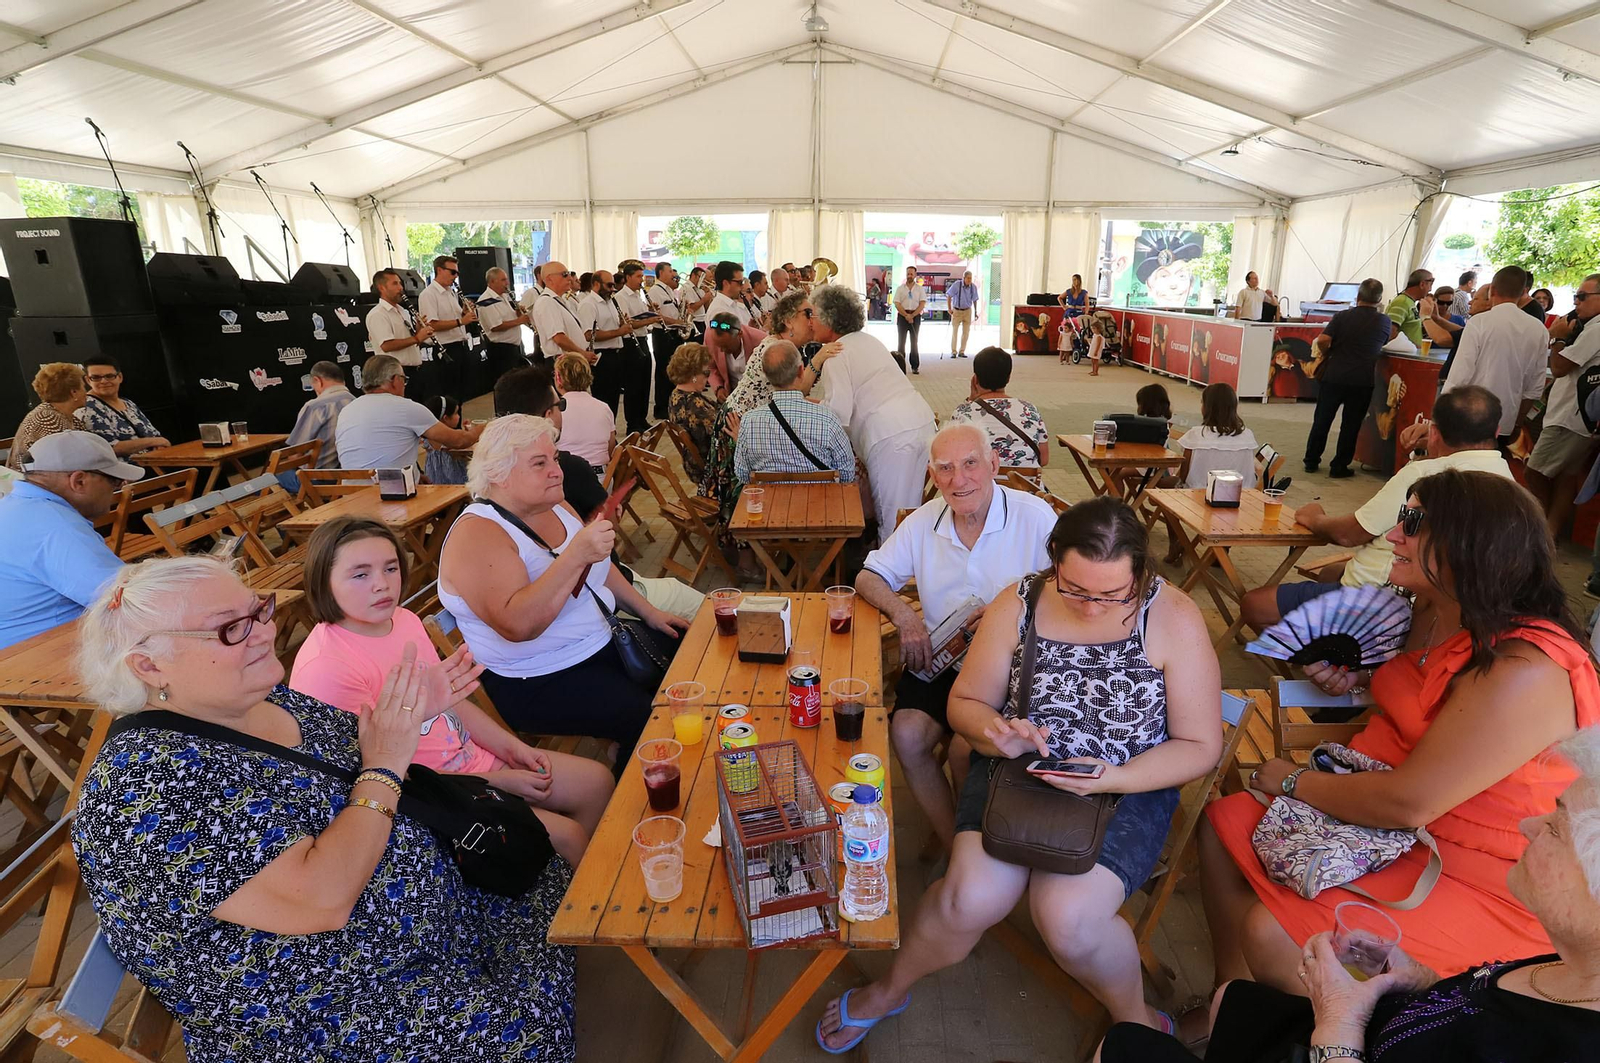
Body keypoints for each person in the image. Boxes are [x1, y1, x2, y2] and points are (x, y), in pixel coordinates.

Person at [72, 556, 577, 1061]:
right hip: (341, 1010)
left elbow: (364, 768)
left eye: (259, 611)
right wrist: (385, 763)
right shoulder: (144, 789)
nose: (264, 634)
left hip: (444, 927)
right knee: (540, 1019)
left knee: (559, 887)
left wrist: (409, 718)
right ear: (149, 665)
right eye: (229, 629)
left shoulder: (267, 700)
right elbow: (322, 898)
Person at [819, 497, 1222, 1050]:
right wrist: (995, 731)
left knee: (1069, 919)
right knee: (968, 898)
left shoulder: (1173, 618)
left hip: (1129, 783)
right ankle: (892, 989)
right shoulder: (1021, 601)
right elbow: (964, 703)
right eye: (1076, 589)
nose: (1090, 606)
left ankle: (1136, 1021)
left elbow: (1201, 745)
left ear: (1141, 575)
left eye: (1111, 595)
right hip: (1020, 770)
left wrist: (1112, 778)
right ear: (1053, 559)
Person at [1202, 469, 1600, 989]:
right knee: (1221, 823)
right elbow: (1428, 691)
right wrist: (1360, 677)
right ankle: (1231, 1001)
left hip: (1477, 864)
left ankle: (1318, 1028)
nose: (1393, 534)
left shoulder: (1525, 669)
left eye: (1411, 522)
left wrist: (1292, 781)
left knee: (1275, 934)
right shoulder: (1436, 608)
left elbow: (1410, 802)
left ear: (1467, 544)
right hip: (1389, 823)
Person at [1101, 726, 1600, 1063]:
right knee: (1236, 998)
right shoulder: (1568, 967)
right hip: (1377, 1030)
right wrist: (1418, 980)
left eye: (1558, 828)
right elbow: (1479, 1001)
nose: (1530, 823)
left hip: (1341, 1046)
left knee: (1122, 1046)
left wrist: (1339, 1026)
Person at [289, 516, 613, 865]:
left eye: (390, 568)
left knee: (597, 782)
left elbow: (453, 703)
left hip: (473, 763)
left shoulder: (404, 620)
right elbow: (374, 776)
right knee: (570, 837)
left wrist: (514, 749)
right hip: (430, 799)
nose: (382, 585)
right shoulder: (327, 667)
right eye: (360, 574)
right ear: (324, 581)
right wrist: (498, 782)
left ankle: (557, 879)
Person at [437, 415, 689, 770]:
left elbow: (600, 571)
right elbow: (518, 626)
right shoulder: (478, 534)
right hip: (537, 676)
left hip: (602, 643)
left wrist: (649, 612)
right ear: (498, 475)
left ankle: (634, 757)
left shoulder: (554, 505)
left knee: (688, 655)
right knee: (647, 719)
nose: (557, 471)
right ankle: (628, 806)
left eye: (554, 458)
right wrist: (575, 555)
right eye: (540, 463)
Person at [854, 423, 1057, 847]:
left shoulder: (1034, 517)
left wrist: (1012, 613)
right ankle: (954, 845)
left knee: (969, 750)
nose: (958, 479)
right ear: (932, 473)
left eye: (970, 464)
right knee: (906, 734)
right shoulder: (924, 521)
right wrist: (905, 617)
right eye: (944, 468)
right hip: (944, 661)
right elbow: (869, 576)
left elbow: (1074, 591)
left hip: (1019, 667)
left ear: (994, 464)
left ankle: (984, 848)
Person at [1240, 387, 1511, 630]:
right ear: (1497, 431)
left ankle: (1331, 660)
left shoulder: (1427, 476)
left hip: (1387, 595)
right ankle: (1330, 651)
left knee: (1253, 604)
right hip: (1451, 593)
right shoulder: (1506, 480)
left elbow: (1351, 535)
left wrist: (1316, 519)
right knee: (1330, 573)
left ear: (1435, 432)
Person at [700, 293, 837, 531]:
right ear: (788, 321)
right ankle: (746, 556)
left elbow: (793, 396)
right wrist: (821, 357)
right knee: (742, 494)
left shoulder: (781, 345)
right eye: (807, 314)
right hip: (739, 424)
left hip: (748, 421)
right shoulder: (775, 348)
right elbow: (799, 388)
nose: (813, 319)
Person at [813, 285, 938, 541]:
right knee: (911, 512)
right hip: (919, 423)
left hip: (891, 436)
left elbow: (838, 413)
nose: (810, 322)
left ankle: (888, 577)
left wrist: (809, 409)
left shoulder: (835, 353)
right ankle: (911, 571)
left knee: (892, 519)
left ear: (829, 320)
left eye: (813, 315)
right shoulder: (867, 340)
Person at [0, 431, 137, 649]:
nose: (117, 490)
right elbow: (128, 599)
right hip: (36, 657)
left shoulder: (14, 506)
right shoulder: (54, 524)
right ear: (79, 481)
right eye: (115, 482)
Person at [1442, 265, 1551, 448]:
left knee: (1460, 471)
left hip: (1469, 415)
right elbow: (1535, 385)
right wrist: (1518, 422)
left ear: (1492, 289)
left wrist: (1441, 416)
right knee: (1490, 471)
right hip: (1506, 418)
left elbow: (1459, 375)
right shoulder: (1539, 329)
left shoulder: (1479, 322)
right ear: (1523, 292)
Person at [1526, 271, 1600, 534]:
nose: (1576, 302)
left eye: (1582, 296)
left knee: (1534, 472)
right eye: (1575, 296)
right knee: (1566, 478)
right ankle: (1550, 533)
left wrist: (1557, 336)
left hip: (1571, 416)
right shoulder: (1589, 327)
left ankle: (1540, 530)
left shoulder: (1597, 329)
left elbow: (1558, 367)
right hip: (1578, 417)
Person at [336, 355, 483, 474]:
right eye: (404, 380)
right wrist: (489, 426)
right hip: (394, 496)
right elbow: (459, 441)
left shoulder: (347, 410)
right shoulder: (406, 408)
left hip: (352, 494)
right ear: (394, 380)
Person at [734, 341, 856, 483]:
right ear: (800, 371)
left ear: (766, 375)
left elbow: (742, 474)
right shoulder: (826, 418)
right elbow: (847, 473)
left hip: (771, 503)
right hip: (819, 502)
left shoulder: (749, 422)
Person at [1304, 277, 1390, 477]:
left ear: (1358, 296)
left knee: (1322, 420)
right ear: (1379, 300)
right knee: (1351, 425)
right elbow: (1385, 341)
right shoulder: (1384, 321)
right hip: (1362, 379)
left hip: (1335, 375)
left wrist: (1328, 351)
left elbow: (1323, 340)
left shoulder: (1342, 317)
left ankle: (1311, 461)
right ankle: (1339, 466)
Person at [950, 346, 1049, 468]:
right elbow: (1044, 459)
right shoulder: (1029, 409)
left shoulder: (962, 412)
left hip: (978, 486)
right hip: (1024, 485)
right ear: (1008, 378)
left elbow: (953, 456)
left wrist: (971, 400)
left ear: (975, 379)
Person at [279, 360, 353, 489]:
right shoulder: (356, 402)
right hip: (350, 477)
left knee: (262, 484)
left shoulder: (315, 406)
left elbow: (295, 455)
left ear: (318, 381)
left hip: (319, 480)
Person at [364, 268, 437, 400]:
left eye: (400, 283)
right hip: (394, 376)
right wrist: (416, 338)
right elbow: (386, 345)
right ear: (382, 288)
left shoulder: (403, 311)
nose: (400, 288)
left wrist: (418, 329)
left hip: (413, 372)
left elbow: (410, 340)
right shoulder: (378, 314)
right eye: (395, 284)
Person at [77, 356, 169, 456]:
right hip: (127, 469)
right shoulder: (87, 408)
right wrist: (155, 442)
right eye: (96, 377)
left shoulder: (128, 403)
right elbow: (108, 448)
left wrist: (159, 446)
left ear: (120, 377)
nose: (103, 381)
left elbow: (153, 434)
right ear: (88, 380)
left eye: (109, 376)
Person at [417, 254, 478, 401]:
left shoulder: (451, 292)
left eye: (457, 273)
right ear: (439, 270)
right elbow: (431, 324)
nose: (455, 276)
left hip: (459, 346)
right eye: (452, 272)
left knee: (460, 393)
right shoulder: (428, 294)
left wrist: (464, 311)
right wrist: (461, 321)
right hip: (445, 349)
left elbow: (456, 318)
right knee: (449, 394)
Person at [7, 362, 89, 470]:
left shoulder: (64, 415)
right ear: (74, 392)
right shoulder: (48, 419)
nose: (86, 392)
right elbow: (65, 465)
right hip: (35, 482)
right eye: (83, 387)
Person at [1177, 382, 1258, 490]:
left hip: (1197, 498)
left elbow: (1183, 476)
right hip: (1239, 497)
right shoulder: (1247, 436)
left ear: (1206, 408)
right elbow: (1249, 474)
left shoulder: (1195, 435)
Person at [611, 261, 662, 435]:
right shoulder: (621, 297)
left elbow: (639, 318)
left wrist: (650, 311)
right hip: (629, 344)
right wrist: (651, 319)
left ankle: (642, 418)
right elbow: (629, 322)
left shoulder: (638, 295)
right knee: (633, 385)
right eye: (638, 276)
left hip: (642, 340)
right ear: (628, 277)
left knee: (645, 382)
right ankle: (632, 423)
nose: (641, 280)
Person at [552, 352, 615, 475]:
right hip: (602, 480)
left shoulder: (555, 410)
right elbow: (610, 448)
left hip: (567, 478)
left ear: (558, 379)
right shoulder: (604, 407)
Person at [667, 343, 720, 482]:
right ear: (693, 375)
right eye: (706, 373)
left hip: (693, 462)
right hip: (710, 469)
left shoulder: (676, 395)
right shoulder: (696, 407)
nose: (708, 378)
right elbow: (722, 435)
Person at [474, 266, 532, 385]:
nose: (507, 283)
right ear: (492, 282)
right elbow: (495, 326)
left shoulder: (504, 297)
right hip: (501, 350)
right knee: (505, 384)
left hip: (513, 347)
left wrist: (517, 312)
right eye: (503, 280)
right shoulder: (486, 300)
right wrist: (519, 321)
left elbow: (507, 318)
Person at [647, 261, 688, 419]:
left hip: (673, 333)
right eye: (670, 271)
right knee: (663, 372)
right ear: (661, 273)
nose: (673, 274)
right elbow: (656, 316)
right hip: (662, 334)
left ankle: (672, 405)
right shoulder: (655, 291)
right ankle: (661, 407)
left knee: (673, 371)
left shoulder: (669, 290)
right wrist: (677, 322)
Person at [530, 261, 590, 360]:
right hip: (563, 362)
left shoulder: (560, 300)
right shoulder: (546, 302)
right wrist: (582, 353)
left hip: (573, 359)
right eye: (564, 275)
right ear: (549, 279)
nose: (570, 278)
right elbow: (559, 338)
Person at [420, 396, 469, 485]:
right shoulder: (450, 438)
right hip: (455, 480)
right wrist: (468, 434)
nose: (458, 416)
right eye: (456, 413)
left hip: (434, 479)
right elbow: (463, 445)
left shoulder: (428, 437)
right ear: (446, 418)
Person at [1386, 268, 1434, 347]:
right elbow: (1391, 331)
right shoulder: (1402, 302)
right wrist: (1412, 346)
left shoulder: (1409, 302)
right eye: (1430, 284)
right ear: (1422, 284)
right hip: (1403, 356)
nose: (1430, 289)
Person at [894, 265, 927, 374]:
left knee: (914, 342)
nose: (909, 275)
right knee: (901, 342)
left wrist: (912, 315)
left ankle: (915, 366)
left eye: (911, 274)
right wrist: (906, 315)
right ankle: (900, 367)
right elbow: (897, 303)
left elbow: (922, 304)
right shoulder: (900, 289)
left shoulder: (919, 289)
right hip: (903, 317)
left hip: (915, 317)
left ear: (915, 275)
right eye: (908, 273)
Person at [706, 260, 753, 329]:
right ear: (726, 283)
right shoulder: (719, 310)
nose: (742, 287)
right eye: (739, 282)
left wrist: (751, 328)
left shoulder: (733, 304)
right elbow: (728, 338)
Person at [946, 269, 980, 358]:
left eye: (970, 278)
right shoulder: (957, 285)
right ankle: (953, 351)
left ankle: (962, 351)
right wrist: (949, 308)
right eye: (968, 278)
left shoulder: (973, 287)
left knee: (966, 332)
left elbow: (975, 300)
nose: (969, 280)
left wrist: (975, 312)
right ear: (963, 278)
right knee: (955, 331)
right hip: (957, 311)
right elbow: (949, 295)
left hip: (967, 311)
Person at [1421, 283, 1463, 354]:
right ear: (1434, 300)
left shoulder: (1458, 320)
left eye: (1449, 303)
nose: (1445, 306)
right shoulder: (1425, 319)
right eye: (1441, 302)